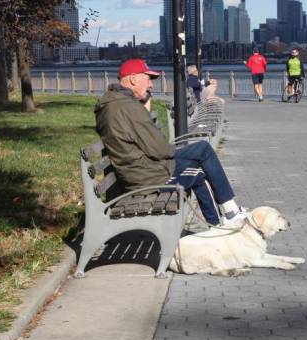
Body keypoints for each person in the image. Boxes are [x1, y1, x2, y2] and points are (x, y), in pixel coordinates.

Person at [95, 59, 246, 226]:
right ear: (133, 79)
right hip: (146, 178)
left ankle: (222, 220)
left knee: (197, 163)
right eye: (148, 79)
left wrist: (144, 109)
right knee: (200, 155)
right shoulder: (128, 108)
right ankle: (226, 216)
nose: (151, 85)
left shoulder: (114, 104)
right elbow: (160, 149)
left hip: (138, 169)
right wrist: (144, 111)